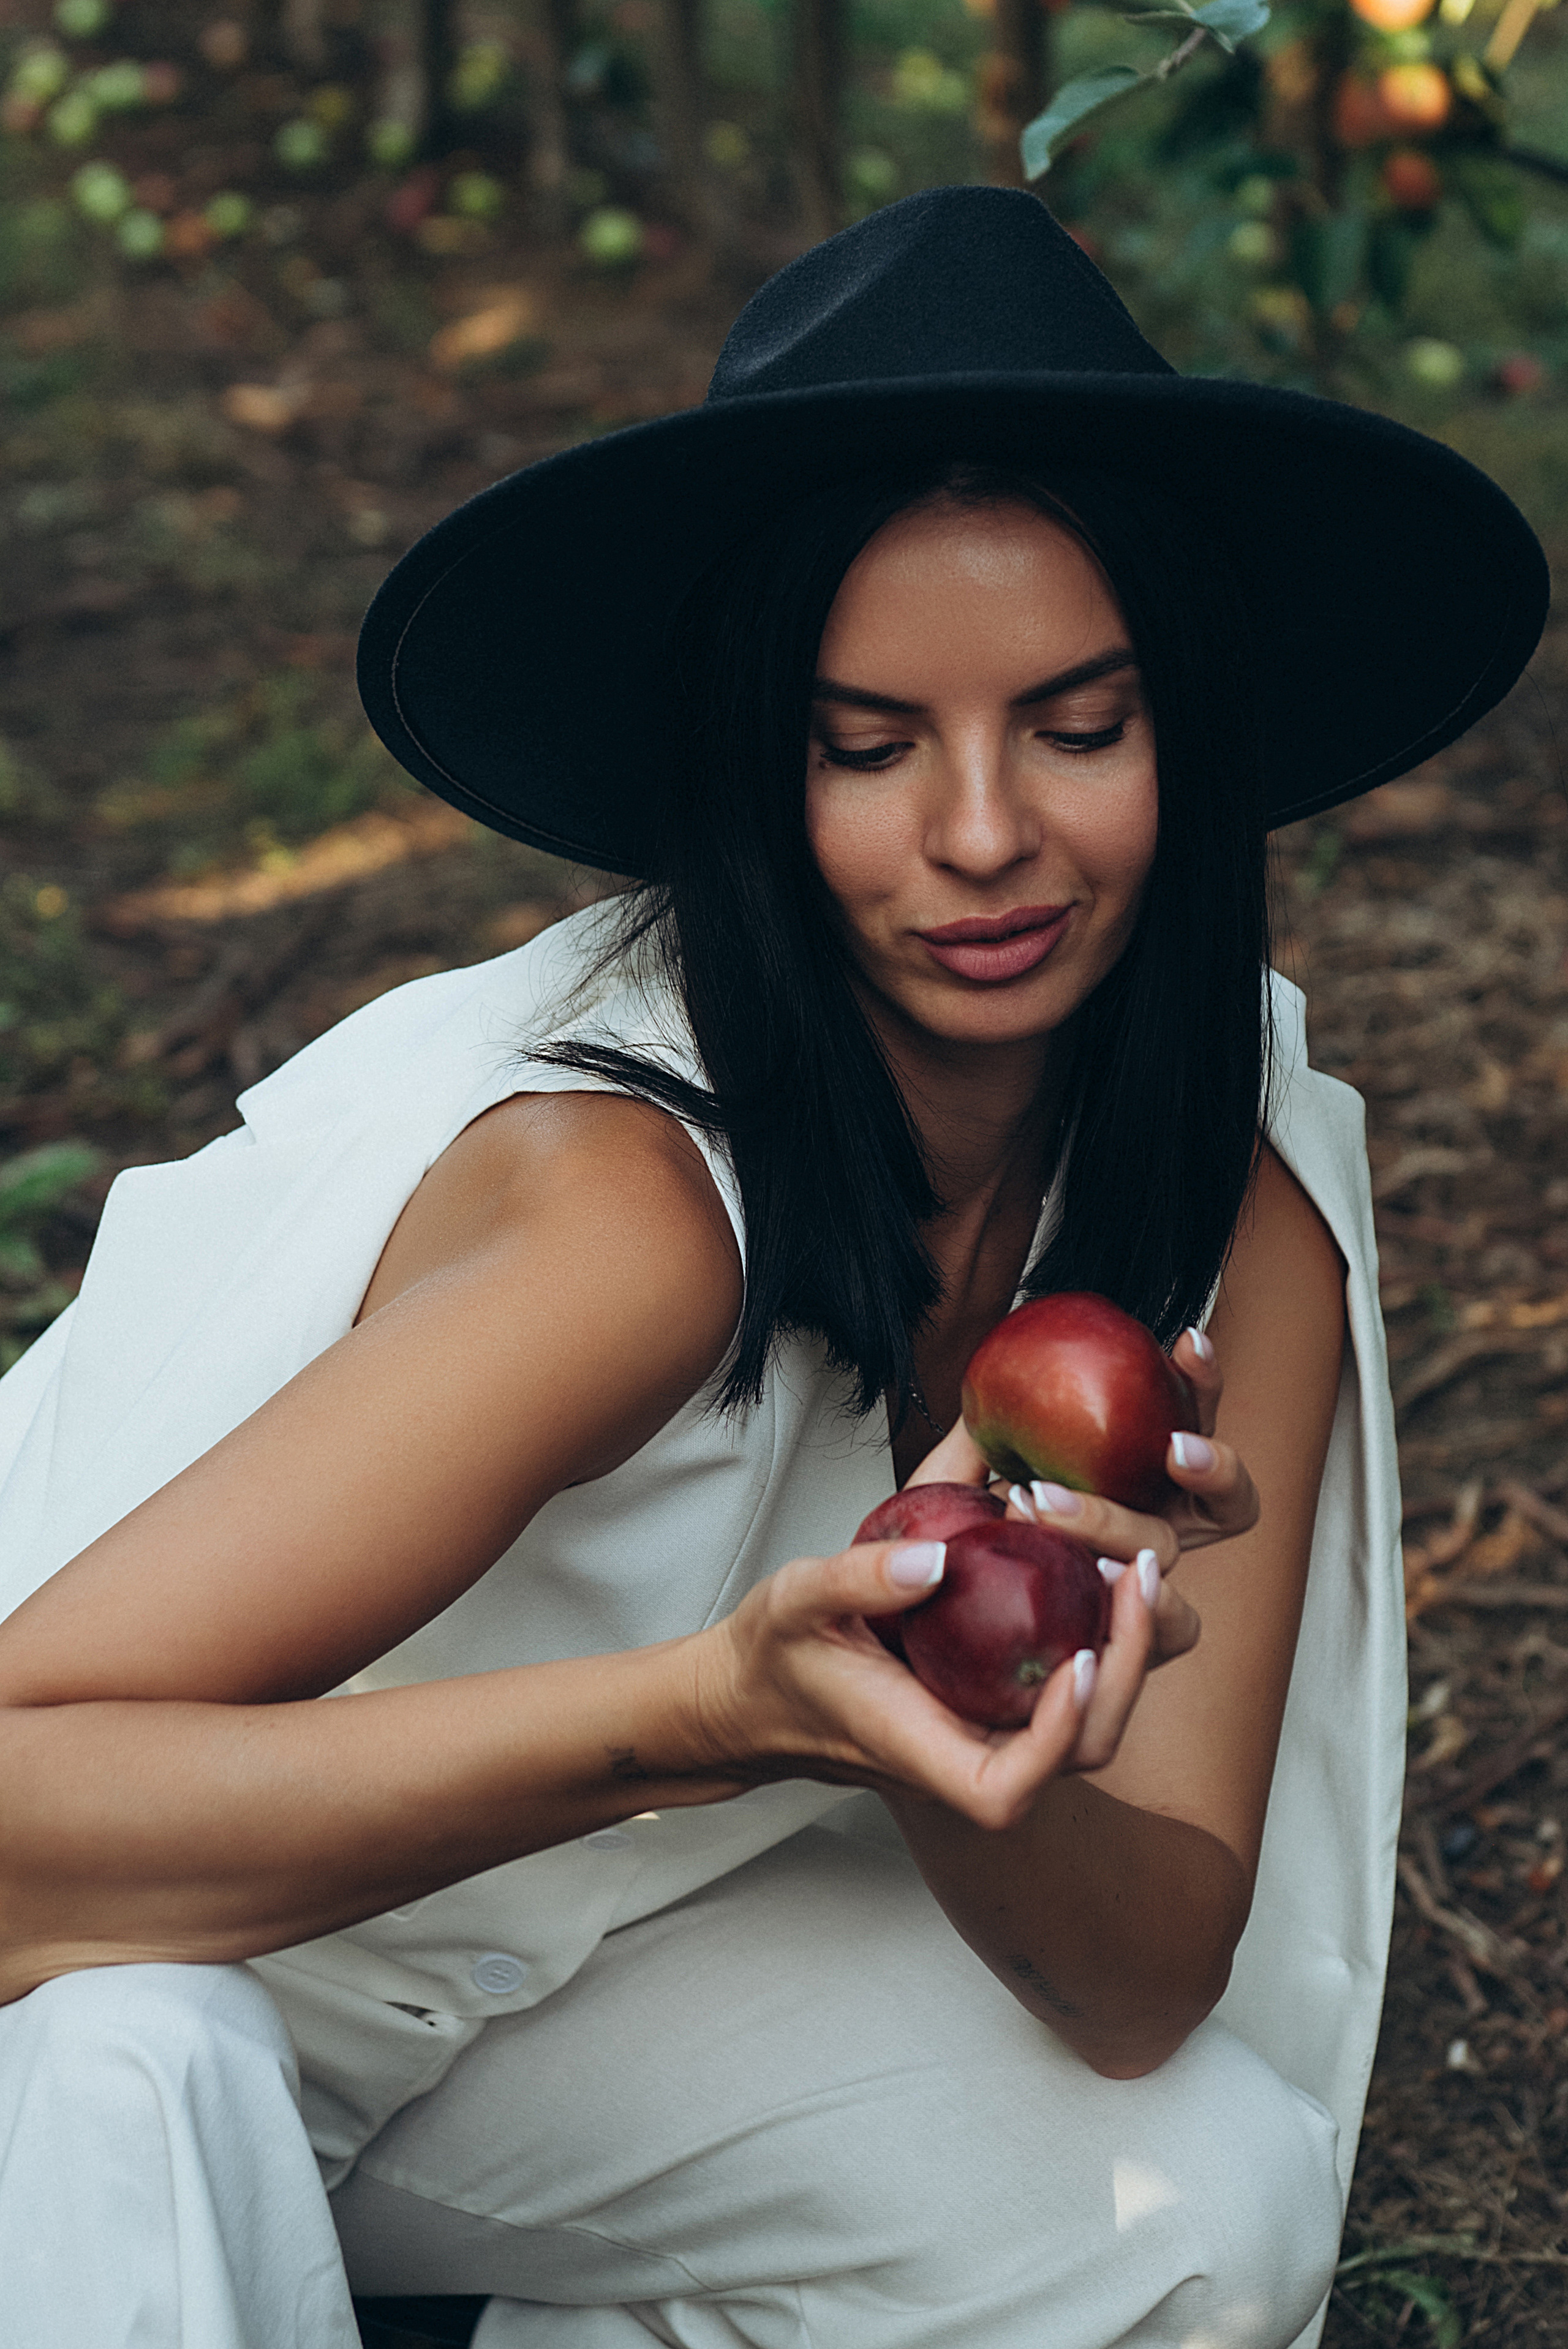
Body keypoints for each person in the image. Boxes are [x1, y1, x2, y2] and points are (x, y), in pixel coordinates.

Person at [0, 186, 1547, 2349]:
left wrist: (967, 1714)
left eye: (1078, 725)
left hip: (515, 2017)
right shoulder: (634, 1208)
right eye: (868, 744)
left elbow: (1133, 1979)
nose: (987, 831)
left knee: (1195, 2203)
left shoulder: (1219, 1241)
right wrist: (697, 1710)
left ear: (1189, 740)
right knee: (134, 2067)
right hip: (120, 1956)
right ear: (757, 768)